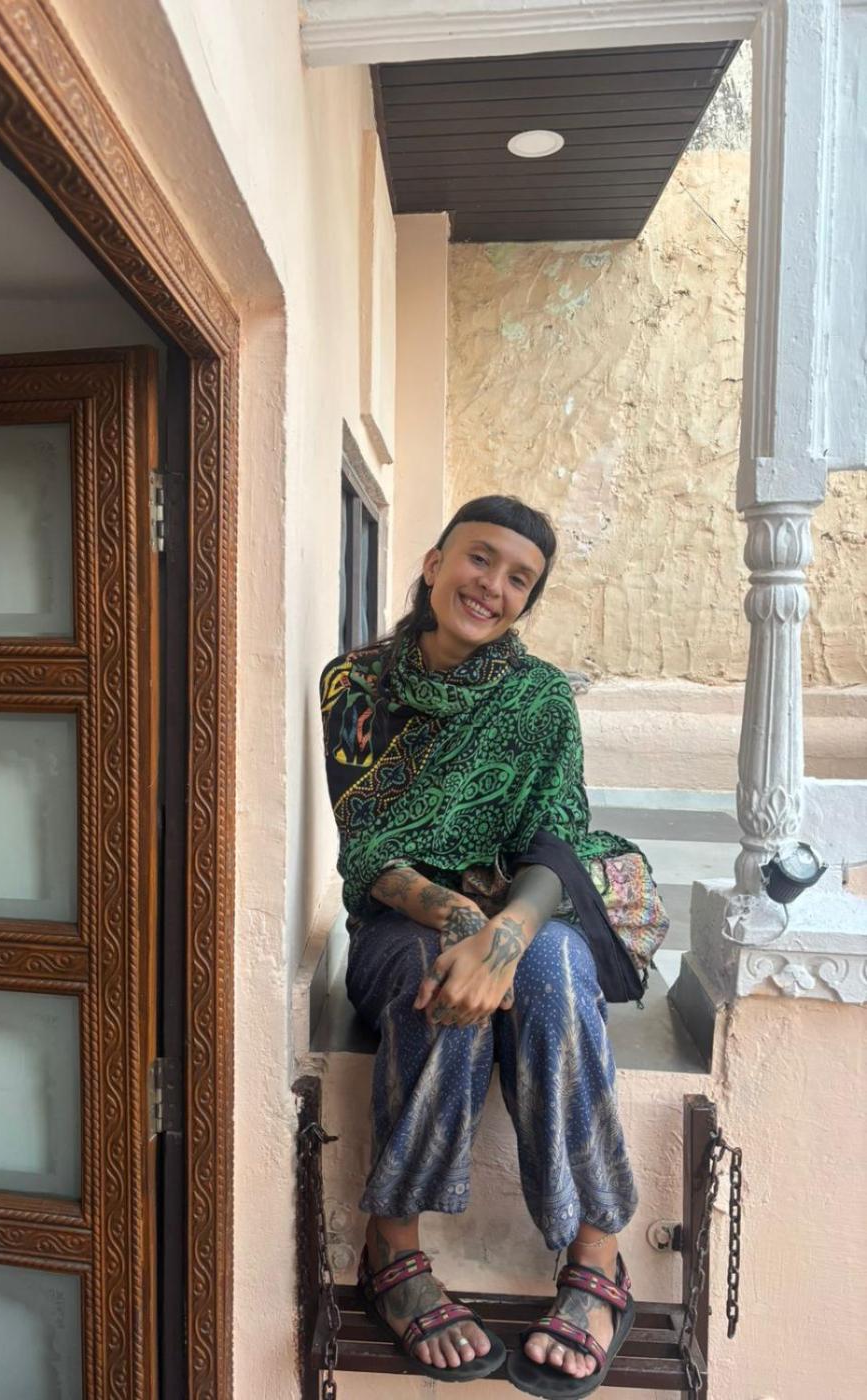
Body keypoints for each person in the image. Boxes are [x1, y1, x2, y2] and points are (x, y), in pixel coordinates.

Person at [319, 496, 658, 1396]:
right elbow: (369, 851)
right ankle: (393, 1245)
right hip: (399, 920)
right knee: (433, 983)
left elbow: (557, 840)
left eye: (519, 580)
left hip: (528, 909)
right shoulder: (353, 685)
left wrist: (504, 933)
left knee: (556, 973)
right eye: (480, 559)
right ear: (434, 563)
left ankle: (597, 1254)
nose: (492, 587)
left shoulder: (540, 697)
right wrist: (463, 928)